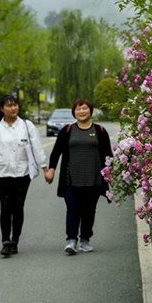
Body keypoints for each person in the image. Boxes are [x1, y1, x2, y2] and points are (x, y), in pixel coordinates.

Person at [45, 99, 113, 255]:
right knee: (72, 209)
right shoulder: (67, 130)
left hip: (94, 179)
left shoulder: (100, 131)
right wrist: (51, 169)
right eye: (78, 109)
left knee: (89, 211)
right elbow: (56, 152)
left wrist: (110, 172)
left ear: (90, 111)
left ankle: (85, 240)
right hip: (71, 179)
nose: (82, 111)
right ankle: (71, 240)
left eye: (85, 108)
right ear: (74, 112)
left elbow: (108, 154)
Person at [0, 94, 48, 257]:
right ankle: (5, 241)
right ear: (2, 109)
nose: (13, 108)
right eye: (9, 105)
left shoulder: (27, 125)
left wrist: (44, 168)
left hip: (22, 173)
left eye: (15, 105)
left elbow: (37, 147)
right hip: (3, 174)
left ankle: (15, 241)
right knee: (6, 207)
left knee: (18, 207)